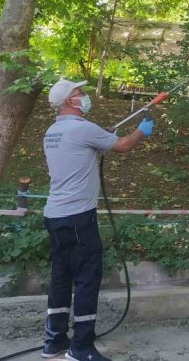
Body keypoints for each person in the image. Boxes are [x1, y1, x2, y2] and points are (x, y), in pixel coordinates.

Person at [41, 79, 154, 361]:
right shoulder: (83, 129)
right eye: (79, 94)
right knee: (87, 279)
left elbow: (85, 149)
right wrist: (141, 131)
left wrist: (104, 136)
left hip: (54, 216)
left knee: (61, 277)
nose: (85, 97)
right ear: (68, 101)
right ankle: (81, 348)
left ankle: (54, 341)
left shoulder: (52, 132)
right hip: (79, 218)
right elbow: (124, 145)